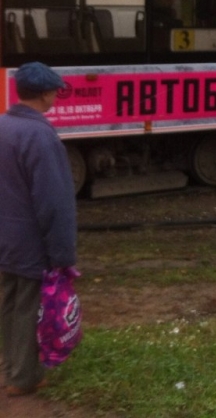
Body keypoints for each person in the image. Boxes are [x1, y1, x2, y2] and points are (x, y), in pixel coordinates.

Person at [0, 62, 77, 398]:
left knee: (10, 302)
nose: (55, 98)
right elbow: (54, 202)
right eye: (54, 92)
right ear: (46, 94)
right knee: (29, 307)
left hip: (4, 238)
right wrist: (62, 254)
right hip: (29, 240)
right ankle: (24, 377)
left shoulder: (3, 125)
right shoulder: (41, 136)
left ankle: (10, 366)